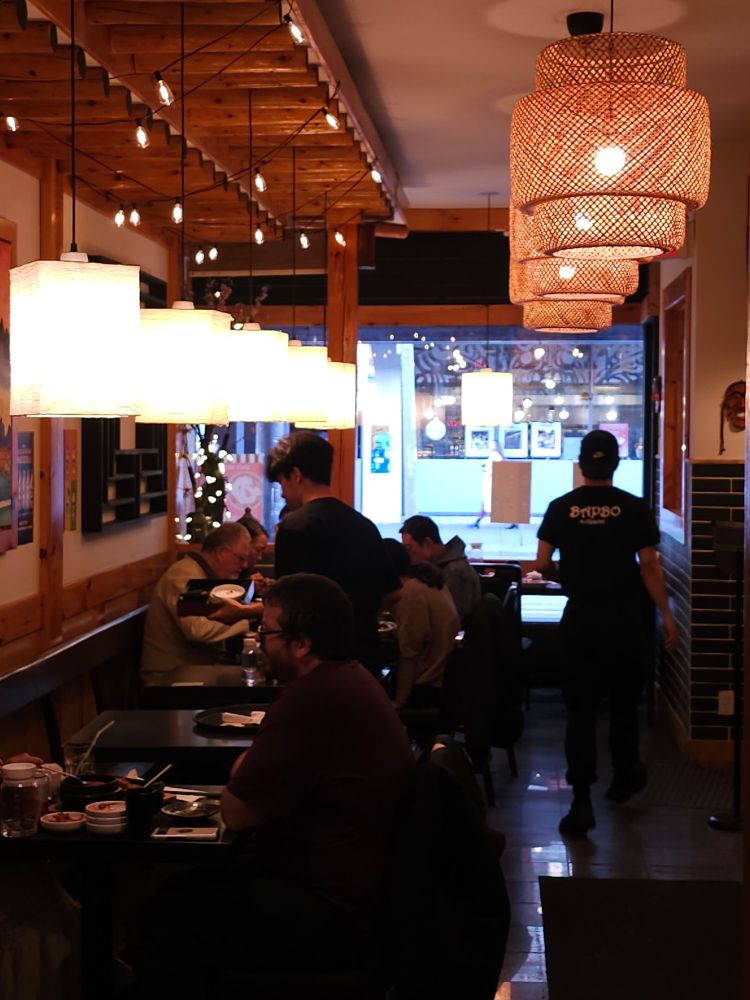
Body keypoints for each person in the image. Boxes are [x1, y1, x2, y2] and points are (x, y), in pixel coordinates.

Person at [129, 574, 415, 999]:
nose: (260, 642)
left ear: (301, 644)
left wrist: (247, 770)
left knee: (166, 915)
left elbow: (237, 812)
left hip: (332, 911)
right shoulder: (350, 678)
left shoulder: (311, 698)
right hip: (367, 896)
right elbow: (252, 774)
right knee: (179, 892)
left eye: (267, 632)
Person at [534, 430, 678, 838]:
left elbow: (541, 563)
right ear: (615, 465)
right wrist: (666, 614)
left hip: (580, 619)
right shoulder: (633, 508)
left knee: (579, 711)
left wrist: (568, 576)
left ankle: (581, 799)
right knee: (623, 705)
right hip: (623, 620)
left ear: (581, 465)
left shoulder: (561, 507)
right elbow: (649, 566)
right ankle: (624, 776)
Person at [265, 431, 400, 669]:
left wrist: (241, 612)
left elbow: (285, 607)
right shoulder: (364, 525)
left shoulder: (294, 527)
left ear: (295, 475)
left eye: (282, 483)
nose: (283, 493)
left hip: (317, 661)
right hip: (365, 658)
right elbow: (392, 594)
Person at [141, 522, 261, 680]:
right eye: (240, 558)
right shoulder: (184, 574)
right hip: (169, 678)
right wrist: (246, 617)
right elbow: (197, 630)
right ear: (221, 553)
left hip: (197, 671)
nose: (244, 565)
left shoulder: (205, 575)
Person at [382, 539, 460, 709]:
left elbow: (409, 654)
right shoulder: (426, 581)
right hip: (444, 678)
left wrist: (399, 702)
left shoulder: (410, 593)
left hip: (426, 686)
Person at [400, 514, 482, 626]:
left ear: (427, 543)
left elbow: (453, 619)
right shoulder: (441, 566)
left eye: (409, 548)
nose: (407, 555)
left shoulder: (453, 571)